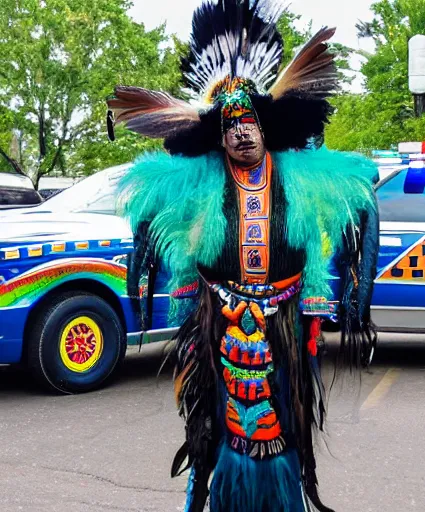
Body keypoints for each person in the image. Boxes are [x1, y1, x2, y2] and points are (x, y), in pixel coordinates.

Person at [107, 1, 379, 510]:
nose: (240, 131)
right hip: (219, 321)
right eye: (229, 126)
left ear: (264, 126)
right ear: (218, 137)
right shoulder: (202, 180)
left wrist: (355, 295)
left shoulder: (301, 176)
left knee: (287, 417)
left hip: (286, 320)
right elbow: (149, 205)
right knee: (211, 423)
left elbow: (361, 190)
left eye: (249, 121)